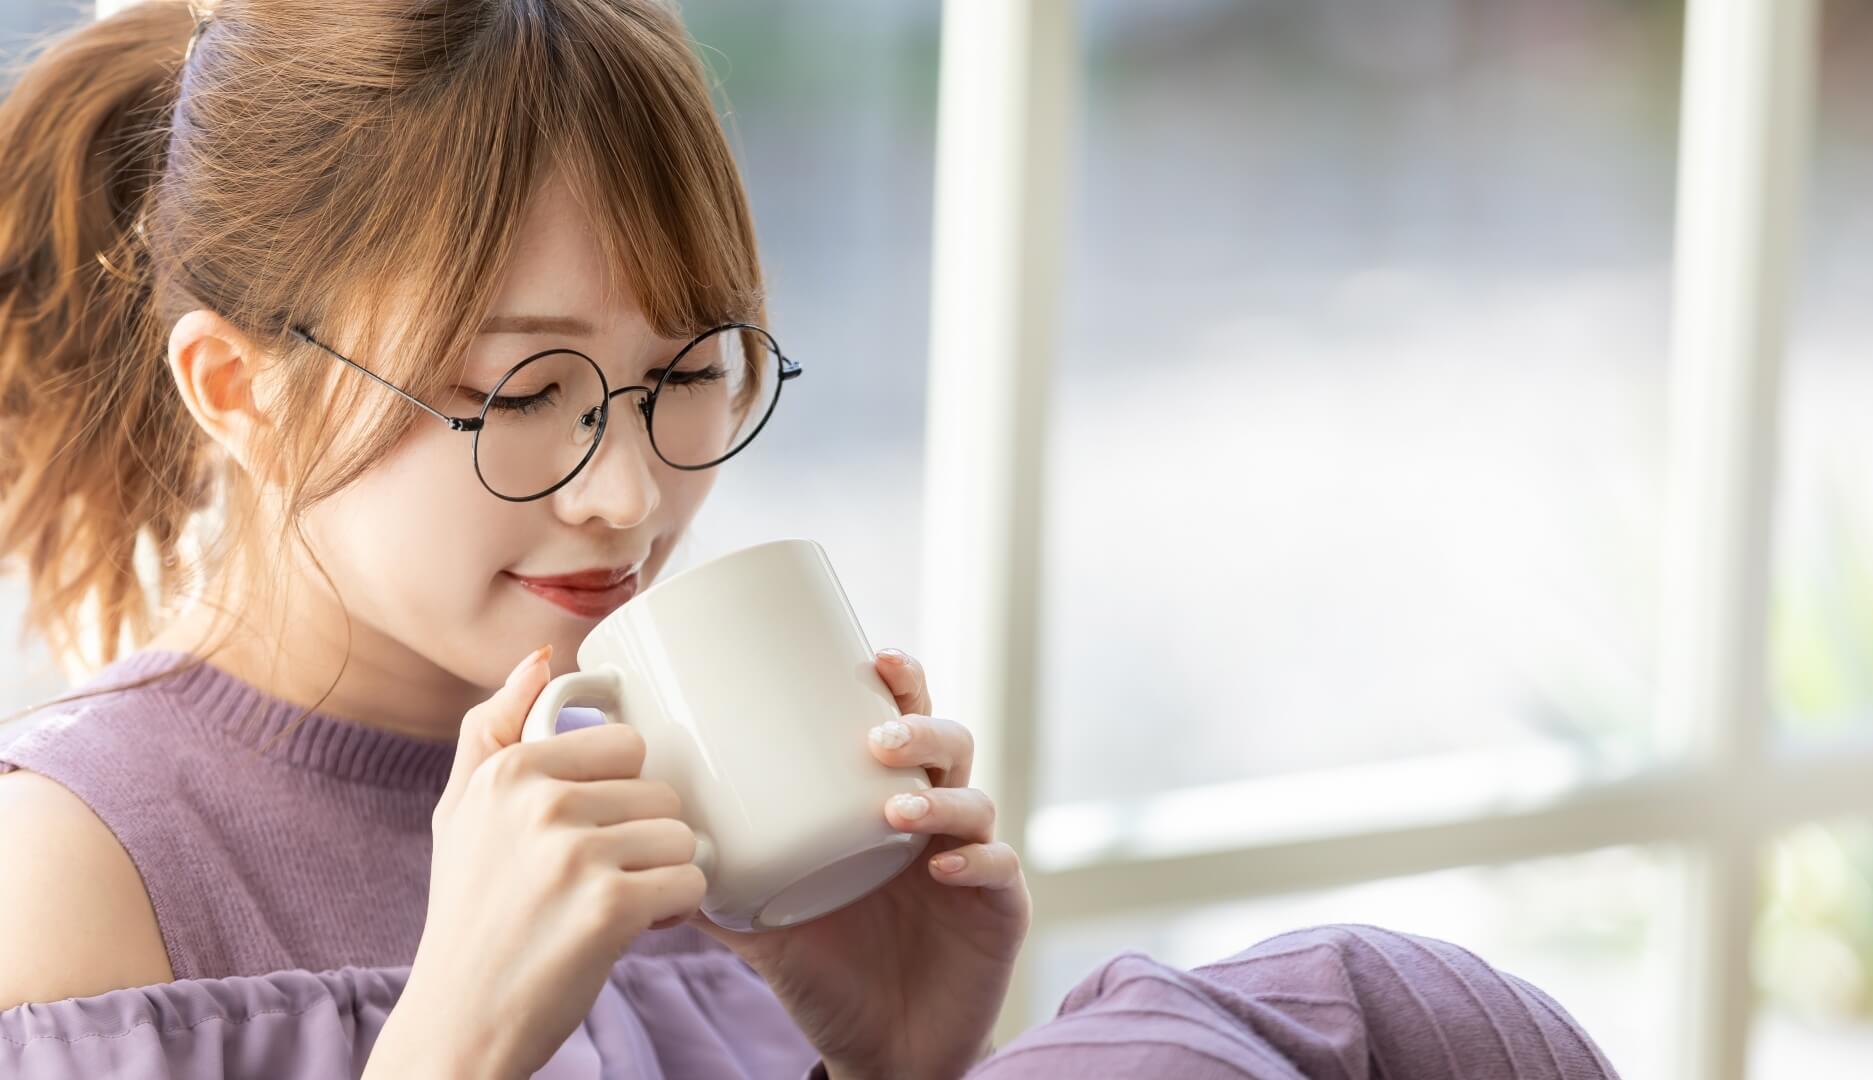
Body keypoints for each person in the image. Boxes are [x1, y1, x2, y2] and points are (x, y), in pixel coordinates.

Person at [0, 3, 1620, 1077]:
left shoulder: (700, 815)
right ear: (236, 389)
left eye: (687, 375)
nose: (628, 496)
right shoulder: (74, 874)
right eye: (523, 393)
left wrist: (892, 1061)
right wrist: (455, 1042)